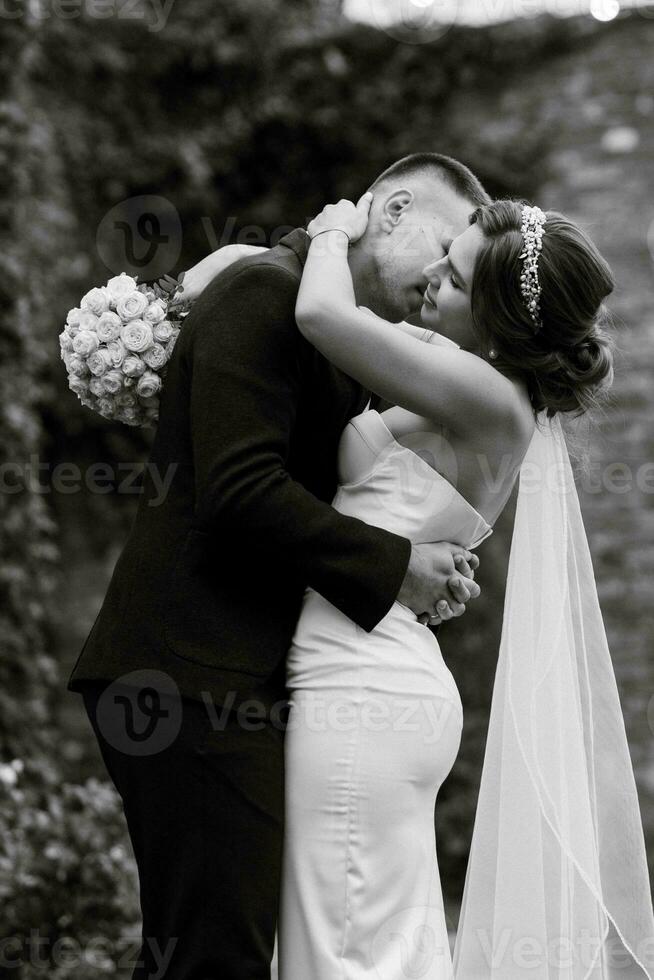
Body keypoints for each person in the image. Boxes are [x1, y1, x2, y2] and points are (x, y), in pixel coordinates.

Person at [67, 153, 490, 980]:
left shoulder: (327, 324)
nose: (441, 278)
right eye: (440, 249)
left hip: (233, 675)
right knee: (213, 956)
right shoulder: (266, 293)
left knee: (219, 951)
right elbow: (239, 488)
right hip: (183, 671)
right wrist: (395, 565)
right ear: (393, 210)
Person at [262, 192, 654, 979]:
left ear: (504, 324)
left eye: (459, 275)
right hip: (372, 678)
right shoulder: (471, 384)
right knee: (370, 948)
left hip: (362, 691)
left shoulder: (488, 398)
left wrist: (333, 232)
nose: (435, 274)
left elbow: (323, 319)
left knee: (339, 951)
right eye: (448, 253)